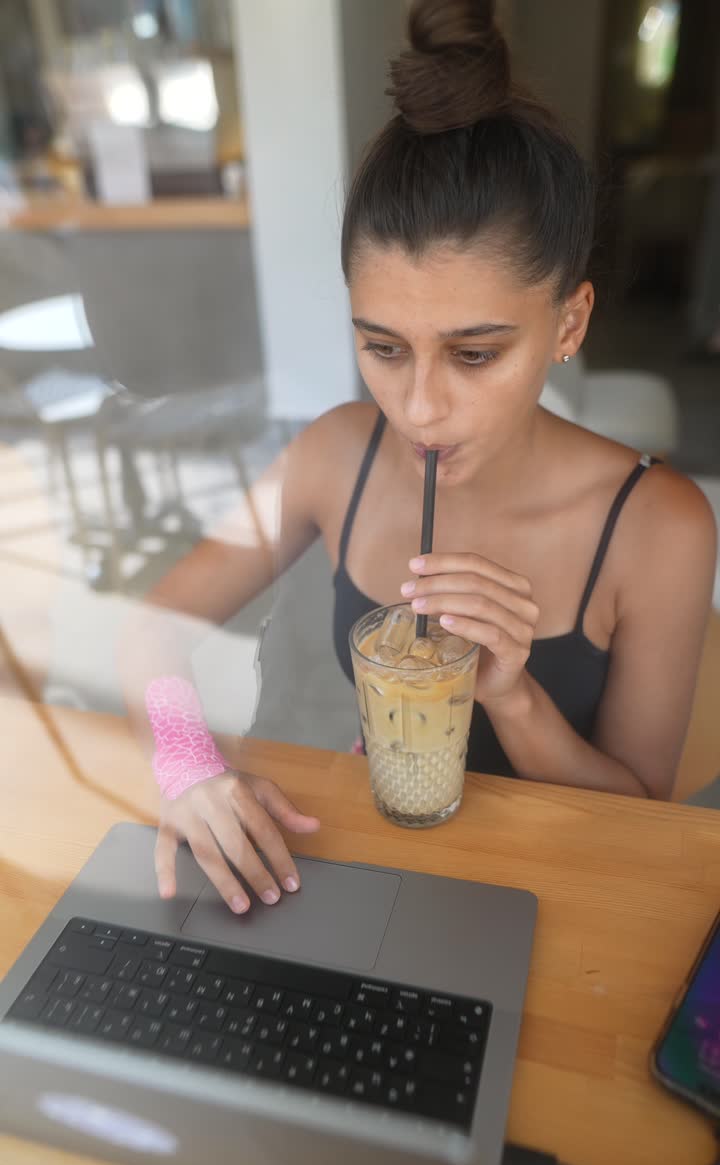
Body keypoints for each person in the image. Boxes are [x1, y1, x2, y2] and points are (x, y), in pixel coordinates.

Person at [120, 0, 717, 915]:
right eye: (384, 348)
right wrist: (190, 767)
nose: (418, 407)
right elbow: (153, 625)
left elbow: (639, 813)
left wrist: (515, 698)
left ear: (570, 323)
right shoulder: (333, 456)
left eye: (475, 355)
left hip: (545, 909)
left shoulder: (657, 527)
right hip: (349, 883)